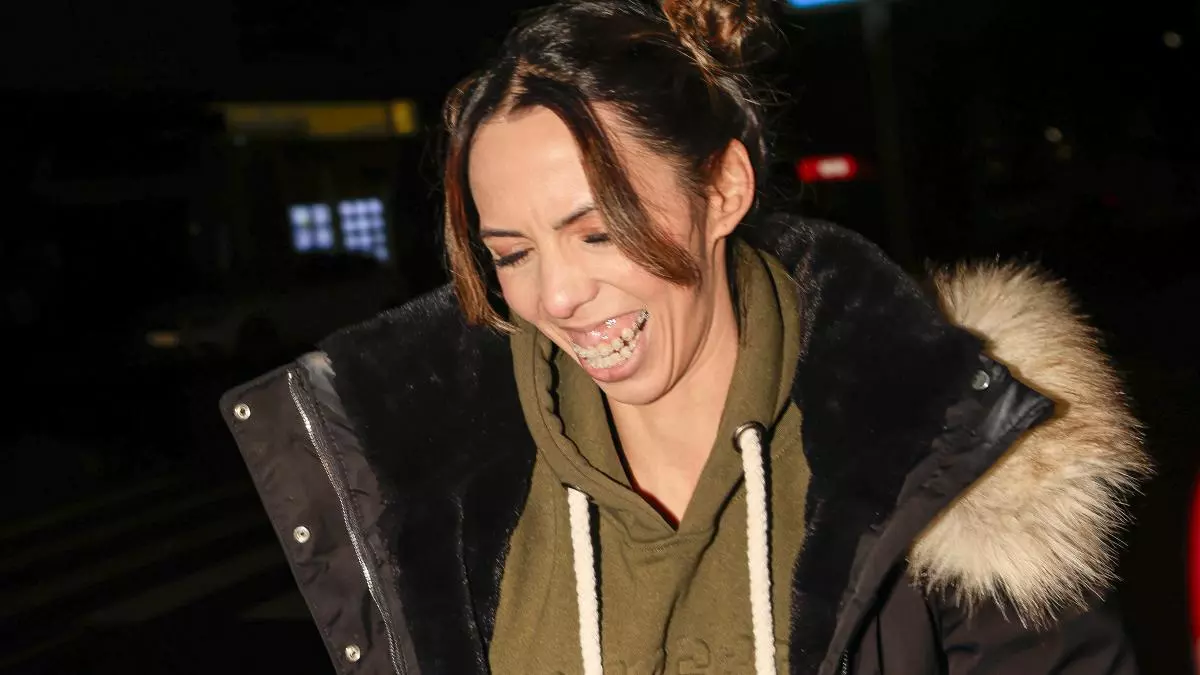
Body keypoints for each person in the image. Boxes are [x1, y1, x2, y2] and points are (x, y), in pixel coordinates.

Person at [220, 0, 1151, 672]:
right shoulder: (446, 490)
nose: (558, 295)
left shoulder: (933, 446)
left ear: (723, 190)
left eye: (598, 230)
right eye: (512, 253)